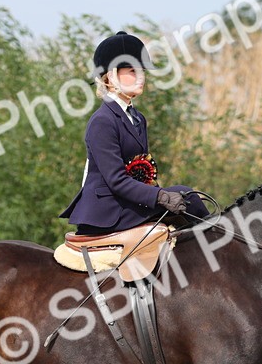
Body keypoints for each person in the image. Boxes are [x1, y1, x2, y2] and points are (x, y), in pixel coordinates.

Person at [59, 31, 208, 236]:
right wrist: (161, 196)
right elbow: (116, 180)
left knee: (186, 197)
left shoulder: (138, 117)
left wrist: (158, 192)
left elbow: (142, 172)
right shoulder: (102, 121)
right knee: (187, 196)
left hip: (129, 203)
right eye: (132, 71)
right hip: (108, 210)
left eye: (142, 71)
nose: (141, 77)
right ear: (110, 76)